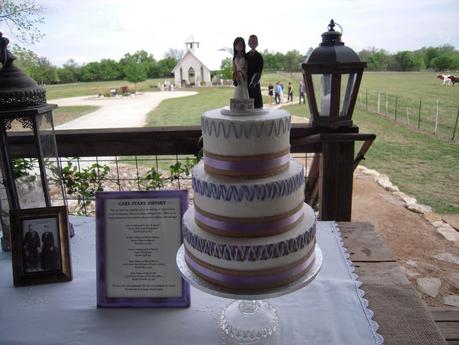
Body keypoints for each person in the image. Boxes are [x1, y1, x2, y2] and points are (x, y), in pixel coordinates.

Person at [246, 34, 264, 109]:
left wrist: (253, 82)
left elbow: (259, 71)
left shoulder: (259, 56)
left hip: (255, 84)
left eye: (254, 41)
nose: (252, 43)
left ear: (257, 43)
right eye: (251, 41)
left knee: (256, 104)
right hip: (245, 83)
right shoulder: (245, 55)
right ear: (248, 43)